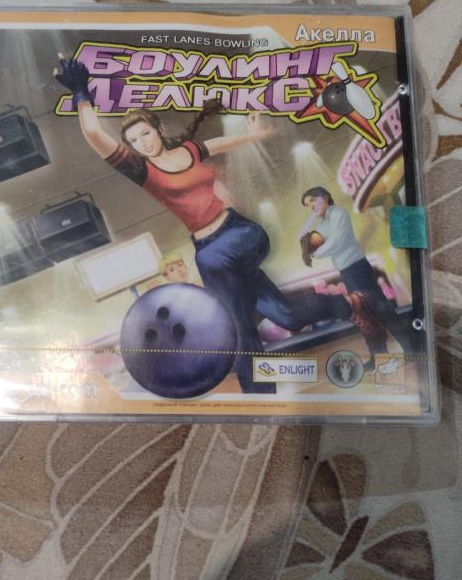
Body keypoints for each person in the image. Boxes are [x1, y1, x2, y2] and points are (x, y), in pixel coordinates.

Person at [55, 58, 378, 393]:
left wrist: (254, 135)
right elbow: (94, 133)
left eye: (146, 133)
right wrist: (80, 92)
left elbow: (221, 144)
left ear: (159, 130)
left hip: (240, 234)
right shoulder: (142, 170)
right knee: (285, 316)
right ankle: (351, 305)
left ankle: (260, 397)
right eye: (134, 141)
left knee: (232, 312)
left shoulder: (190, 150)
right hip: (211, 250)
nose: (142, 143)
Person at [301, 186, 412, 368]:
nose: (311, 206)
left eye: (313, 200)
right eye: (307, 205)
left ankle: (410, 348)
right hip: (347, 272)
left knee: (381, 309)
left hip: (357, 268)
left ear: (325, 196)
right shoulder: (321, 225)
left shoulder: (338, 213)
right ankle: (379, 356)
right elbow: (321, 243)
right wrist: (310, 244)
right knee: (364, 315)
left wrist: (315, 252)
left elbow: (337, 242)